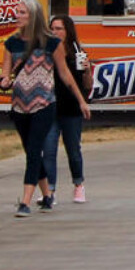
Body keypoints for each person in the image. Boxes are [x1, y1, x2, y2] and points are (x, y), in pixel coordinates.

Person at [0, 0, 83, 217]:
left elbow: (64, 74)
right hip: (19, 105)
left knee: (35, 149)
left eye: (22, 12)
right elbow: (4, 72)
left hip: (44, 103)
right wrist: (4, 81)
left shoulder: (51, 43)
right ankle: (47, 196)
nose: (17, 16)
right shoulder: (11, 43)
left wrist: (81, 100)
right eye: (17, 12)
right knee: (31, 150)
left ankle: (25, 201)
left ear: (33, 16)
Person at [43, 15, 93, 206]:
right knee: (48, 149)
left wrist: (88, 70)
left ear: (68, 31)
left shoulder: (77, 52)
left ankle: (78, 184)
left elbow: (87, 85)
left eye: (59, 29)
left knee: (73, 149)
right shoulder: (47, 52)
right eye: (53, 29)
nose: (55, 32)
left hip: (71, 108)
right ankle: (50, 190)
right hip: (50, 106)